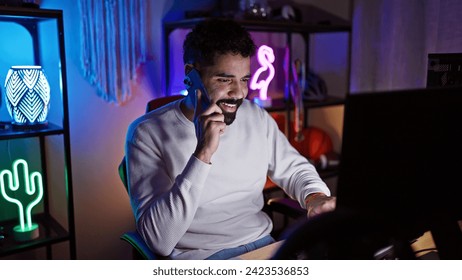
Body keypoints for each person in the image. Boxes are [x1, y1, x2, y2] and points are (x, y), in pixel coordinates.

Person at [125, 18, 336, 260]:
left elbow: (295, 169)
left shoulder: (256, 116)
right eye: (224, 80)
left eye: (244, 79)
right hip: (202, 258)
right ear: (190, 74)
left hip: (263, 246)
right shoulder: (146, 133)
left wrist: (314, 197)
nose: (239, 93)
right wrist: (202, 153)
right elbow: (160, 241)